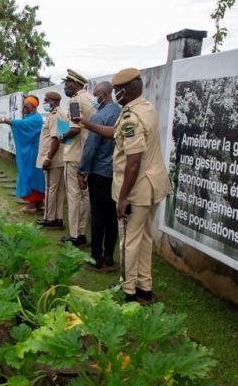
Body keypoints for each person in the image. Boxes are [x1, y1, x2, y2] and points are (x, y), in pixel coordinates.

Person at [72, 68, 170, 304]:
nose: (115, 94)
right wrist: (86, 123)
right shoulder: (145, 108)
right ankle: (144, 288)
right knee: (144, 239)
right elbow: (114, 134)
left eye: (117, 90)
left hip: (136, 190)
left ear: (123, 91)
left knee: (129, 241)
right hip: (153, 187)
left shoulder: (131, 118)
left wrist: (123, 197)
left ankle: (128, 290)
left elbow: (133, 162)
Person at [78, 81, 120, 272]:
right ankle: (109, 256)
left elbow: (92, 146)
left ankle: (97, 256)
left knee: (98, 216)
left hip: (99, 172)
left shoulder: (99, 116)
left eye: (96, 95)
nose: (94, 99)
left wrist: (82, 170)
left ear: (104, 95)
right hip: (116, 173)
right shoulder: (121, 113)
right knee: (112, 216)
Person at [59, 69, 96, 247]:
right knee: (85, 195)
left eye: (68, 83)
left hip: (74, 154)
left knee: (74, 195)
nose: (65, 86)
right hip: (88, 154)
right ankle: (80, 232)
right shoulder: (90, 98)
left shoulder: (75, 100)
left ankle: (75, 235)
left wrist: (62, 137)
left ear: (76, 84)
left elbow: (75, 128)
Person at [0, 95, 45, 212]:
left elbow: (21, 125)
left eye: (26, 106)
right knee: (35, 175)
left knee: (29, 175)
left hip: (31, 152)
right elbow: (22, 123)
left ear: (33, 107)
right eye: (24, 105)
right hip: (32, 151)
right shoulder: (33, 117)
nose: (23, 108)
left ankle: (32, 205)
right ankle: (39, 202)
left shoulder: (35, 119)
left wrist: (3, 120)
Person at [36, 91, 65, 229]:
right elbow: (63, 138)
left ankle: (48, 218)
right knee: (59, 189)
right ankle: (58, 218)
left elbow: (56, 139)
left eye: (47, 100)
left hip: (52, 159)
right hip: (60, 158)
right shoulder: (61, 114)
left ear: (54, 101)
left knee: (50, 189)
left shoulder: (55, 116)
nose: (45, 103)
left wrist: (48, 158)